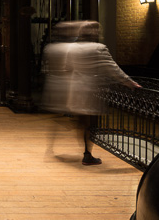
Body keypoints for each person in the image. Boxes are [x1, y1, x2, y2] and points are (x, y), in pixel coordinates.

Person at [42, 20, 140, 166]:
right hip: (89, 90)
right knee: (90, 124)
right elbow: (112, 67)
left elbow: (67, 67)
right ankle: (87, 154)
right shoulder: (99, 48)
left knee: (82, 122)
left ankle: (86, 152)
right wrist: (129, 82)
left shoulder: (71, 48)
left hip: (74, 90)